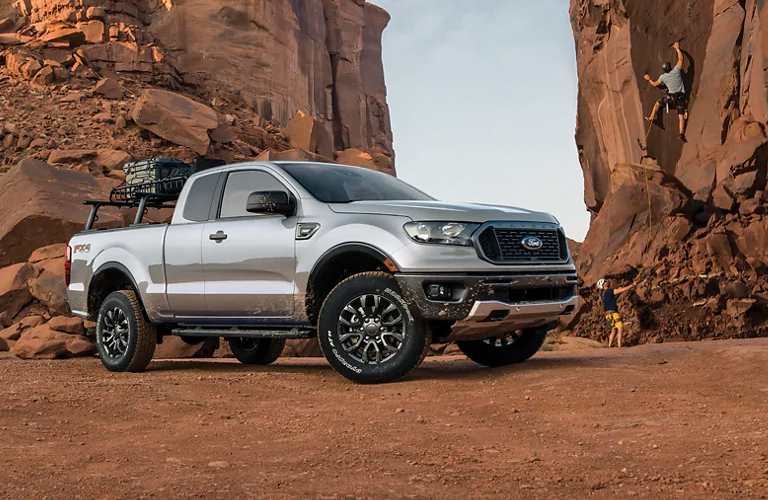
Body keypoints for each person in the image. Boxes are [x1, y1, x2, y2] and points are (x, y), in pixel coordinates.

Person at [643, 41, 688, 142]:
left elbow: (655, 84)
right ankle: (681, 132)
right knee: (681, 116)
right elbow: (681, 59)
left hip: (670, 98)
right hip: (680, 98)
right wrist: (677, 48)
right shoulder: (676, 70)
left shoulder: (663, 77)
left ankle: (651, 118)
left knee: (658, 103)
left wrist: (648, 79)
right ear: (670, 66)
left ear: (663, 69)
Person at [596, 278, 634, 348]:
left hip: (607, 314)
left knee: (613, 330)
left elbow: (613, 295)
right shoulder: (609, 291)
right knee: (620, 328)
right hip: (614, 313)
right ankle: (619, 345)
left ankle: (610, 346)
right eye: (605, 282)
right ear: (603, 285)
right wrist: (631, 285)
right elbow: (622, 290)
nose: (607, 282)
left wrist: (618, 290)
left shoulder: (602, 294)